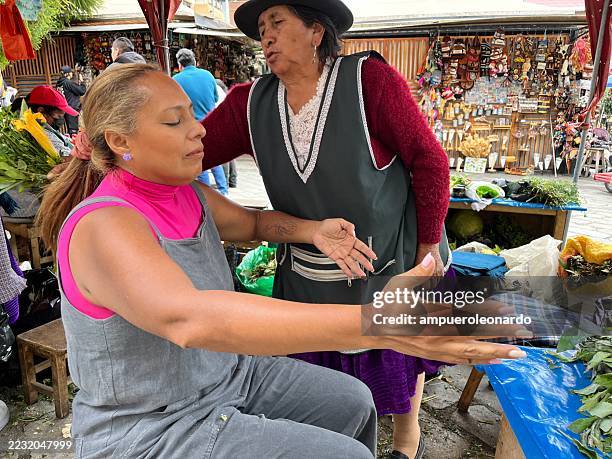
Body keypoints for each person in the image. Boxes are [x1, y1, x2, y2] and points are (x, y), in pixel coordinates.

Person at [36, 64, 525, 458]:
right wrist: (377, 324)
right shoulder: (105, 225)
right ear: (120, 142)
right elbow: (190, 318)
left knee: (355, 403)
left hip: (225, 376)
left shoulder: (186, 193)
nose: (199, 129)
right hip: (153, 423)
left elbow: (253, 224)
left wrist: (315, 231)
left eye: (191, 114)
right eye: (174, 121)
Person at [201, 1, 453, 457]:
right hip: (307, 268)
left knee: (398, 349)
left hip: (390, 255)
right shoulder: (249, 103)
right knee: (318, 360)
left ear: (317, 31)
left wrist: (427, 249)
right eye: (261, 29)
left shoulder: (367, 82)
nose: (267, 38)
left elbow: (429, 159)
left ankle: (405, 439)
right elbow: (188, 154)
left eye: (277, 23)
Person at [173, 48, 228, 195]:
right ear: (195, 62)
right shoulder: (208, 75)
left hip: (190, 127)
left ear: (180, 65)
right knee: (215, 158)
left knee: (199, 159)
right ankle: (223, 191)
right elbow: (216, 98)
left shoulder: (176, 80)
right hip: (211, 122)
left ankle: (207, 194)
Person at [27, 85, 76, 157]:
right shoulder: (41, 133)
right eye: (57, 117)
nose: (60, 121)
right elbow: (68, 156)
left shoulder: (45, 125)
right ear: (41, 111)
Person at [215, 78, 238, 188]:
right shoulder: (224, 94)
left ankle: (225, 180)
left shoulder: (216, 92)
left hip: (222, 124)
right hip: (230, 124)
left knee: (223, 154)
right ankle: (232, 180)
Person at [56, 65, 86, 136]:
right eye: (71, 72)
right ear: (68, 74)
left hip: (65, 109)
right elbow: (81, 91)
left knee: (71, 130)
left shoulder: (59, 83)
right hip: (72, 108)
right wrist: (82, 82)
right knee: (74, 131)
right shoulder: (67, 83)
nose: (72, 74)